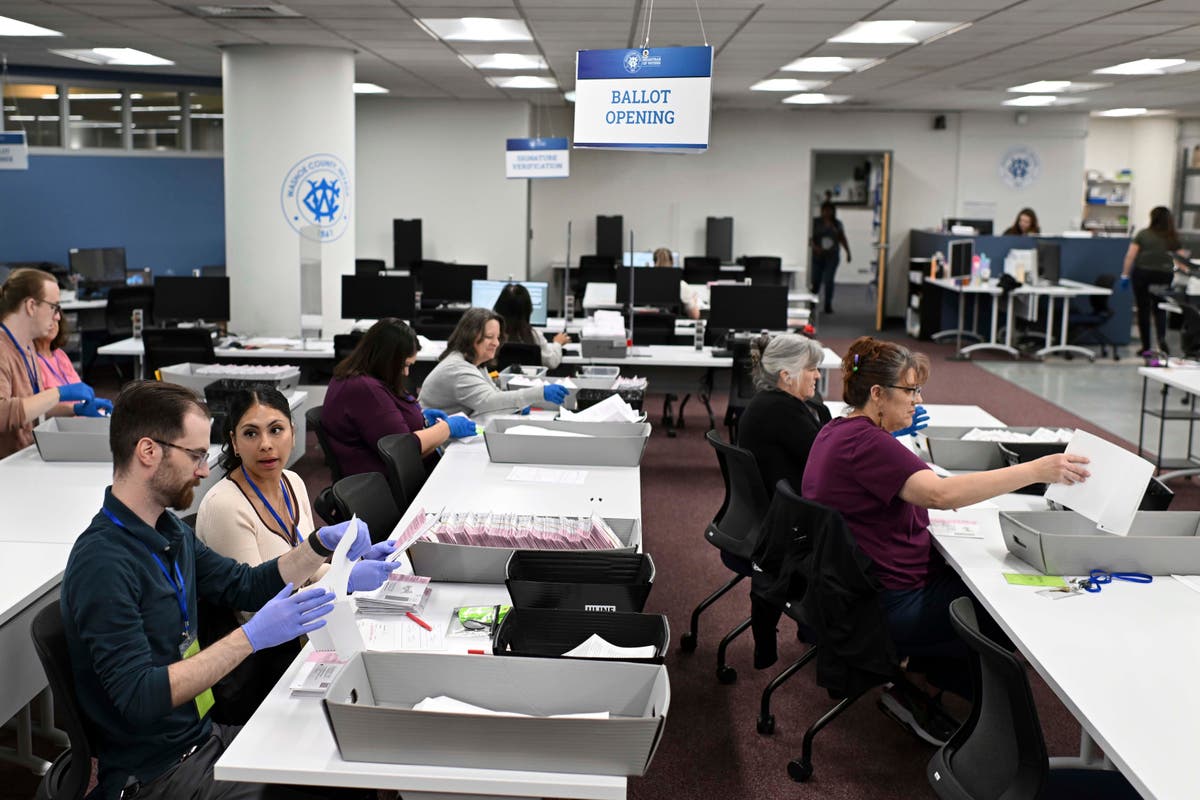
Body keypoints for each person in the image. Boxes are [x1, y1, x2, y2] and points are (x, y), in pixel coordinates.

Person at [60, 381, 397, 800]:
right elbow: (140, 696)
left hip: (202, 739)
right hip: (157, 774)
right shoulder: (104, 563)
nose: (205, 469)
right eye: (196, 455)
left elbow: (245, 584)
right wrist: (250, 638)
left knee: (347, 750)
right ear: (148, 452)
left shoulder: (166, 532)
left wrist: (318, 545)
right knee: (335, 783)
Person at [801, 337, 1088, 732]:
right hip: (889, 603)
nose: (917, 399)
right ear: (878, 394)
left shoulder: (840, 430)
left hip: (859, 592)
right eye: (910, 390)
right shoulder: (867, 443)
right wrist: (1036, 470)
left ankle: (924, 679)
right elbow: (940, 493)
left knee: (982, 579)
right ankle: (975, 709)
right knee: (1008, 604)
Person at [323, 318, 476, 478]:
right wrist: (446, 428)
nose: (406, 373)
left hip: (395, 476)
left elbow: (385, 424)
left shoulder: (367, 378)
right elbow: (404, 450)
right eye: (405, 365)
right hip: (385, 485)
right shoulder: (364, 389)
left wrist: (421, 419)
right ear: (386, 358)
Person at [0, 267, 108, 458]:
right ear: (31, 306)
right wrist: (57, 393)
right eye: (54, 307)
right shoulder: (2, 349)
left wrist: (73, 408)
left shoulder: (27, 347)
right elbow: (2, 414)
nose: (58, 316)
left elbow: (32, 408)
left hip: (25, 457)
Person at [418, 307, 569, 416]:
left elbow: (493, 393)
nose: (496, 343)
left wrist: (516, 406)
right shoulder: (457, 368)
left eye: (497, 337)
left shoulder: (475, 363)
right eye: (489, 337)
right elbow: (489, 401)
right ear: (470, 336)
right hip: (437, 448)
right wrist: (539, 393)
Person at [737, 333, 831, 498]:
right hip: (793, 509)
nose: (818, 375)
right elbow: (827, 459)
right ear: (786, 376)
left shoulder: (770, 402)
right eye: (811, 369)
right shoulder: (781, 412)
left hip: (782, 502)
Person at [1121, 206, 1191, 355]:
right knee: (1160, 310)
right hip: (1164, 275)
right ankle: (1162, 344)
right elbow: (1181, 261)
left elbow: (1130, 256)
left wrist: (1125, 275)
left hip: (1142, 274)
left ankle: (1146, 347)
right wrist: (1190, 273)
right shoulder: (1172, 237)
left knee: (1143, 310)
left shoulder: (1143, 234)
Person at [492, 283, 569, 369]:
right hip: (529, 381)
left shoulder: (490, 335)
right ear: (529, 310)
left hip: (495, 380)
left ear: (498, 307)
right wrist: (558, 343)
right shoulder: (533, 335)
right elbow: (551, 362)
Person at [810, 202, 851, 315]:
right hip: (817, 256)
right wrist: (815, 248)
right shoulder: (815, 222)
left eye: (830, 210)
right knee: (815, 281)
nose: (827, 213)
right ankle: (812, 304)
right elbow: (809, 238)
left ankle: (828, 304)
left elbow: (842, 238)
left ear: (833, 211)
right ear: (821, 211)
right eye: (825, 210)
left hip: (832, 256)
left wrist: (848, 252)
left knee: (829, 280)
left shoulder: (837, 224)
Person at [654, 247, 701, 320]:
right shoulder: (681, 285)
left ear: (653, 263)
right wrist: (694, 301)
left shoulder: (643, 284)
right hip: (671, 329)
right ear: (672, 263)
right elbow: (695, 316)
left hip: (643, 329)